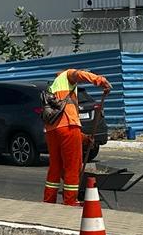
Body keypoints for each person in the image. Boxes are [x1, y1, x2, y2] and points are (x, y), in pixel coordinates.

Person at [43, 67, 111, 206]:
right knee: (72, 166)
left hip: (52, 130)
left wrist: (85, 138)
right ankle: (70, 202)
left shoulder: (54, 85)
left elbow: (61, 128)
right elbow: (78, 74)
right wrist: (100, 80)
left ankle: (48, 201)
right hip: (68, 126)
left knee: (55, 167)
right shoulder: (68, 75)